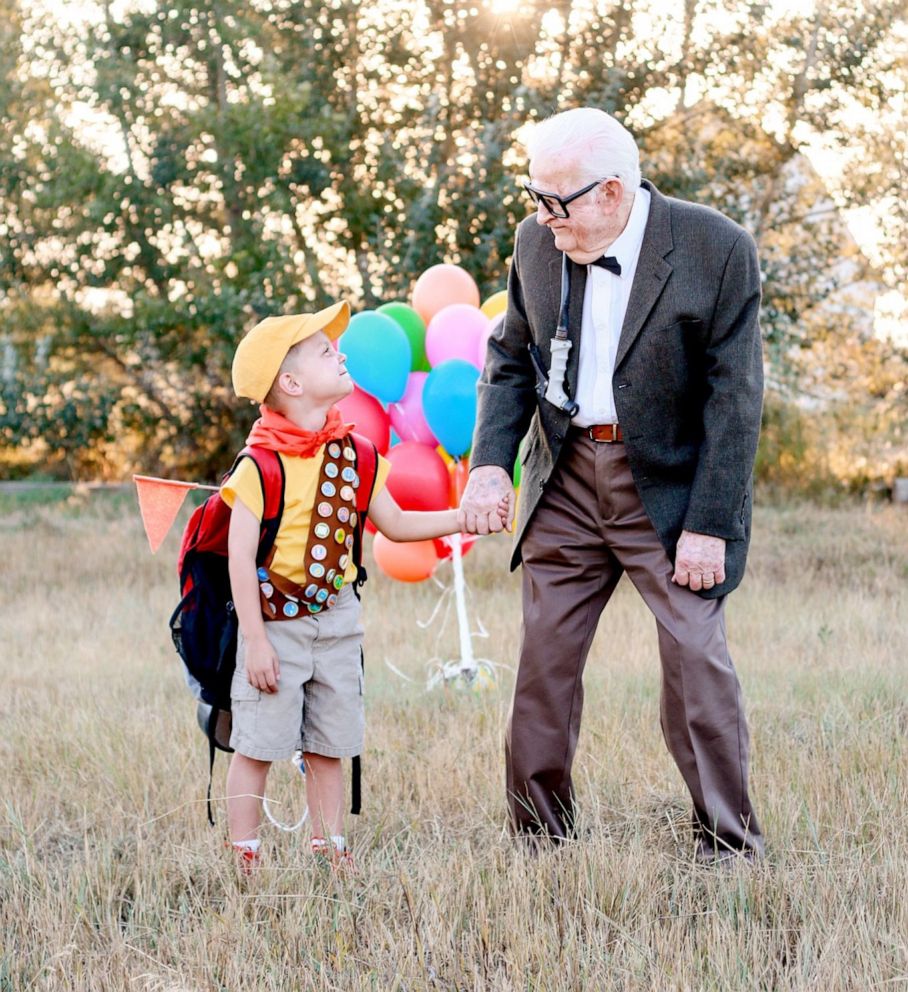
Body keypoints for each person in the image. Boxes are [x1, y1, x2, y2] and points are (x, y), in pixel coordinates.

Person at [459, 107, 765, 862]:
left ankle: (728, 845)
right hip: (564, 478)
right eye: (532, 197)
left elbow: (736, 401)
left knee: (697, 660)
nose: (539, 217)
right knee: (543, 667)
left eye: (554, 202)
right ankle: (540, 840)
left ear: (612, 194)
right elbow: (509, 360)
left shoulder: (716, 249)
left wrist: (710, 524)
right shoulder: (538, 241)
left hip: (667, 487)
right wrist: (492, 463)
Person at [223, 303, 505, 873]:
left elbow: (396, 524)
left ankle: (329, 849)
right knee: (258, 744)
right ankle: (244, 856)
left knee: (331, 743)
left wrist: (462, 517)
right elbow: (238, 555)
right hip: (275, 624)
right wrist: (254, 640)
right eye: (327, 351)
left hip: (339, 618)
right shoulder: (259, 465)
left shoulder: (358, 455)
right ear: (291, 381)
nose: (342, 352)